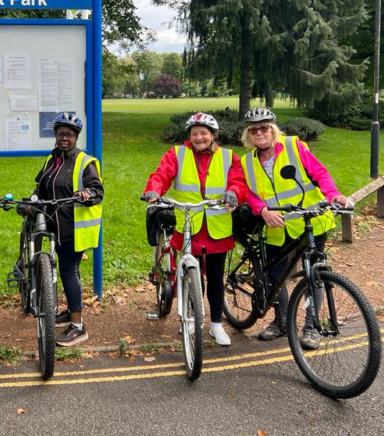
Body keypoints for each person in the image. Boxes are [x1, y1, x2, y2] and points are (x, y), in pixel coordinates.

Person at [240, 107, 349, 350]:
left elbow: (319, 173)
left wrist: (333, 195)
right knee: (274, 278)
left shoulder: (294, 147)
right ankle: (281, 323)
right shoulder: (247, 161)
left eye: (264, 127)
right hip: (277, 225)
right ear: (249, 135)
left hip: (311, 220)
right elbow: (248, 193)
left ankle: (311, 327)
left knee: (315, 275)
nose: (260, 132)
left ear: (273, 130)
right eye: (254, 129)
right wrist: (263, 211)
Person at [143, 112, 249, 346]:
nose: (199, 137)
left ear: (213, 135)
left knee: (214, 277)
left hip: (217, 225)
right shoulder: (177, 154)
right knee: (190, 274)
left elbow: (238, 182)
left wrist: (233, 193)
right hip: (188, 221)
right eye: (194, 134)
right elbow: (162, 174)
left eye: (204, 133)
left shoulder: (229, 157)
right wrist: (154, 189)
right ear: (189, 136)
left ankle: (216, 325)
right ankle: (189, 318)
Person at [26, 112, 103, 347]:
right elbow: (41, 186)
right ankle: (70, 311)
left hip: (71, 228)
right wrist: (33, 199)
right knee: (65, 271)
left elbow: (97, 191)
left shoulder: (85, 162)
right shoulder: (52, 160)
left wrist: (85, 194)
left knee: (69, 271)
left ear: (76, 137)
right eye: (61, 134)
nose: (64, 138)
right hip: (51, 224)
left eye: (69, 135)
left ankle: (78, 327)